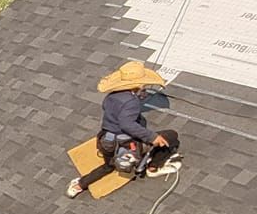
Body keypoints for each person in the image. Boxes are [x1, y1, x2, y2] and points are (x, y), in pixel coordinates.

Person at [67, 61, 180, 197]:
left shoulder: (111, 97)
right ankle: (153, 167)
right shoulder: (131, 102)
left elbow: (114, 111)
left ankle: (79, 185)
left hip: (106, 141)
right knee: (170, 136)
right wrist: (153, 137)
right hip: (125, 143)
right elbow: (128, 125)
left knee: (108, 166)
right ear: (136, 86)